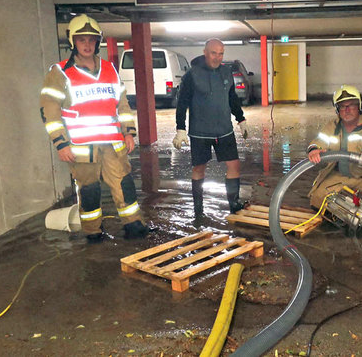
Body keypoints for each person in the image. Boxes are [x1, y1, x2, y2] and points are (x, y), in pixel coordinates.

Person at [39, 14, 149, 242]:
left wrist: (129, 132)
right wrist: (60, 144)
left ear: (98, 42)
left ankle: (134, 225)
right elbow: (49, 111)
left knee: (124, 185)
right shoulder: (60, 73)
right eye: (82, 40)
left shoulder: (109, 69)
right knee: (89, 191)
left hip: (113, 143)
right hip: (81, 147)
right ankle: (93, 232)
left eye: (91, 40)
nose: (87, 45)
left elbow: (122, 104)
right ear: (73, 42)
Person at [173, 38, 249, 216]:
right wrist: (180, 129)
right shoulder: (192, 75)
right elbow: (182, 103)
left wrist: (241, 119)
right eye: (214, 53)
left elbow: (232, 98)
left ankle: (234, 204)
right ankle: (198, 209)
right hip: (200, 132)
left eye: (221, 53)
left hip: (224, 130)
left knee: (234, 165)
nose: (217, 57)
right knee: (199, 168)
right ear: (205, 52)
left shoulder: (226, 72)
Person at [307, 85, 362, 209]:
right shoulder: (333, 126)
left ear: (359, 106)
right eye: (342, 106)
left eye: (351, 105)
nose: (347, 110)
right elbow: (318, 141)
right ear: (337, 109)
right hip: (338, 175)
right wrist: (314, 150)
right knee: (317, 199)